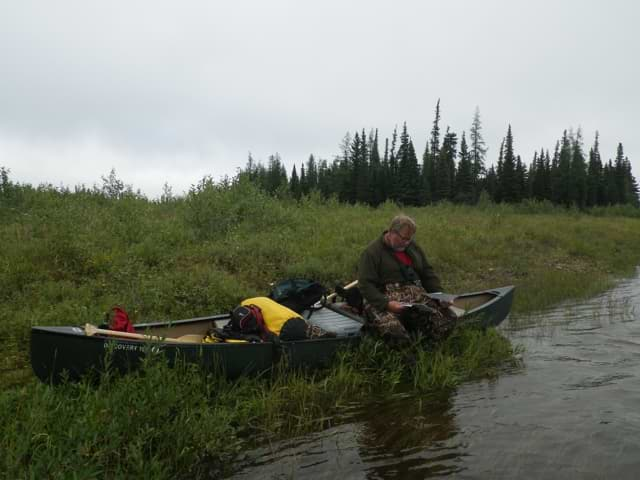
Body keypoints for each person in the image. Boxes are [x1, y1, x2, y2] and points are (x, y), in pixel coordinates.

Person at [357, 214, 456, 346]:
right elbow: (365, 285)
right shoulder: (372, 252)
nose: (406, 242)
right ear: (391, 232)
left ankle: (429, 349)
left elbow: (427, 273)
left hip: (414, 296)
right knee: (394, 330)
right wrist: (386, 304)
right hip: (383, 299)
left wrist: (440, 295)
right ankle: (406, 359)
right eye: (403, 238)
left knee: (448, 318)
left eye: (409, 239)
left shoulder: (412, 247)